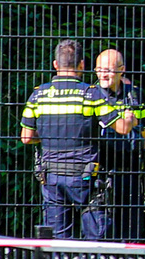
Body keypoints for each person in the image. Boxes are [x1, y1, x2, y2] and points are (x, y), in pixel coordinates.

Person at [20, 39, 136, 240]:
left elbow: (26, 137)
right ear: (81, 64)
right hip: (85, 177)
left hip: (51, 176)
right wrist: (130, 119)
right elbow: (122, 128)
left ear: (55, 64)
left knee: (56, 239)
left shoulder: (38, 95)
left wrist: (49, 136)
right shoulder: (91, 93)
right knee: (96, 239)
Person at [93, 49, 145, 243]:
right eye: (99, 69)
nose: (103, 74)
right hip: (101, 175)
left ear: (121, 70)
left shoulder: (134, 95)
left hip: (131, 173)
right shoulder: (91, 95)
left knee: (132, 233)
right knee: (103, 234)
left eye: (108, 70)